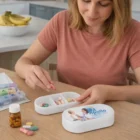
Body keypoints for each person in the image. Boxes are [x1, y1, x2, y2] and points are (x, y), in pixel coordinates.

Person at [15, 0, 140, 105]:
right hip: (68, 109)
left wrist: (109, 92)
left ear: (118, 5)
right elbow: (22, 63)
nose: (91, 12)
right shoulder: (61, 21)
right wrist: (28, 70)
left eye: (103, 3)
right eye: (86, 0)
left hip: (112, 111)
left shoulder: (134, 31)